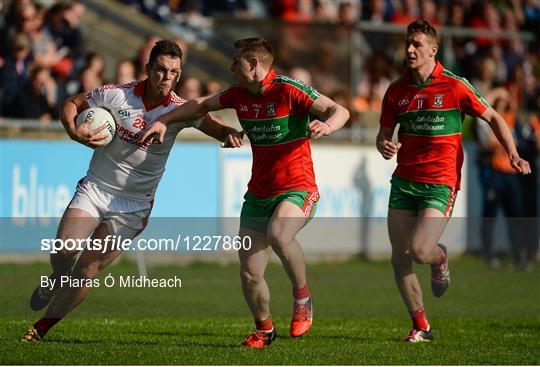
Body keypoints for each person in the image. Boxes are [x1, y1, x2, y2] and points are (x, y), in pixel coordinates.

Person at [22, 39, 242, 342]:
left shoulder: (181, 110)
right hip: (96, 188)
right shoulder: (115, 95)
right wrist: (74, 130)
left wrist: (229, 133)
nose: (167, 78)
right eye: (161, 70)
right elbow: (71, 104)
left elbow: (216, 127)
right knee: (65, 250)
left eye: (174, 73)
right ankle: (58, 277)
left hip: (133, 206)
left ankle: (41, 328)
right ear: (149, 68)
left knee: (88, 268)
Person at [139, 37, 350, 349]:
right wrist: (163, 121)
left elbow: (339, 110)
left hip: (297, 187)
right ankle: (264, 330)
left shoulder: (288, 89)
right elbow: (198, 106)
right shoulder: (238, 95)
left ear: (253, 64)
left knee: (280, 235)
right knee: (250, 275)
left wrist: (328, 126)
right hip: (259, 194)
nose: (230, 66)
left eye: (235, 61)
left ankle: (302, 296)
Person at [376, 19, 530, 343]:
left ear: (433, 49)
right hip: (404, 180)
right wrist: (384, 145)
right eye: (407, 43)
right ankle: (421, 326)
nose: (409, 49)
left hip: (439, 182)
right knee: (398, 257)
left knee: (420, 250)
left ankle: (439, 257)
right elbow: (382, 136)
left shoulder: (454, 85)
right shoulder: (395, 91)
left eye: (417, 44)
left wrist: (513, 153)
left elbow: (493, 117)